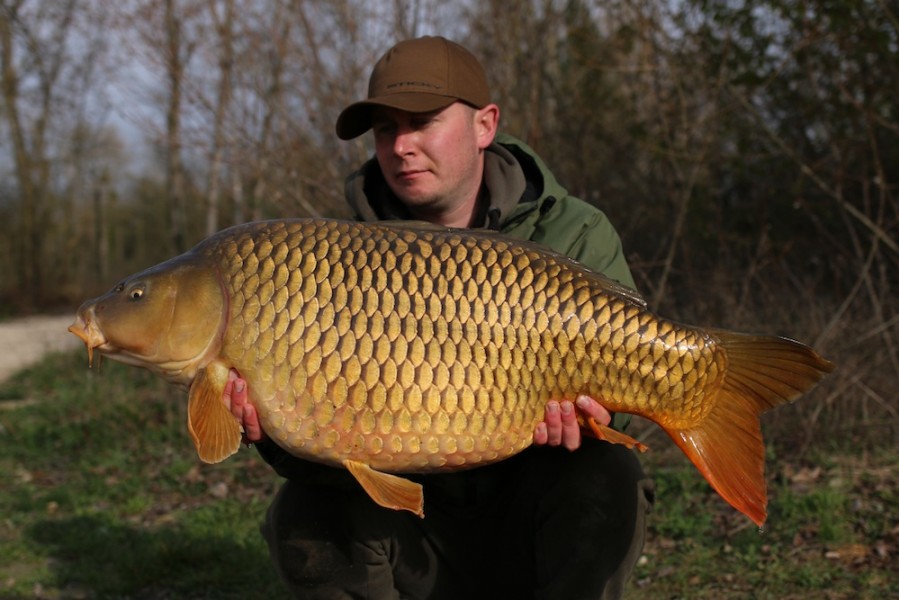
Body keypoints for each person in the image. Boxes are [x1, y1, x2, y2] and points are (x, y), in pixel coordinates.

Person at [226, 36, 654, 599]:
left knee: (607, 478)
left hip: (530, 519)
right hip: (413, 533)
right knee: (306, 511)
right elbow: (323, 454)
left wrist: (597, 424)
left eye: (422, 122)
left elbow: (627, 411)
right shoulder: (328, 262)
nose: (401, 145)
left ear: (485, 125)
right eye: (385, 129)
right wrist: (273, 431)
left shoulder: (572, 234)